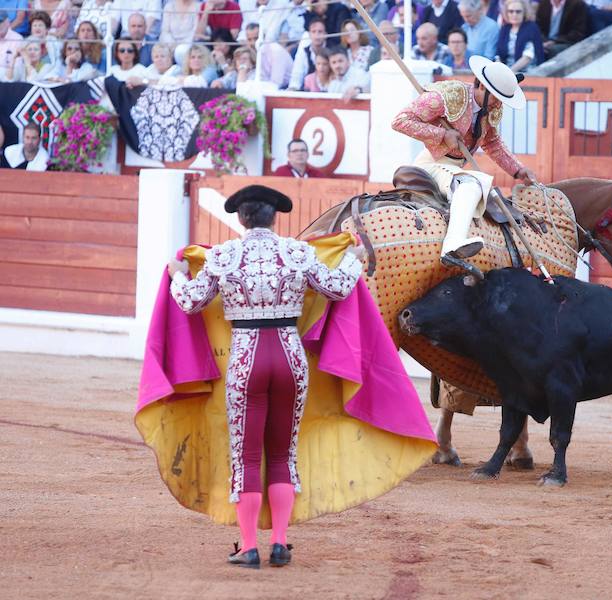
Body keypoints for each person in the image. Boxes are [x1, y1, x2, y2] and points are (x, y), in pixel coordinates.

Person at [167, 185, 364, 568]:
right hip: (290, 356)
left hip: (246, 358)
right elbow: (338, 289)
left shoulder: (224, 255)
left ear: (240, 219)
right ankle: (279, 542)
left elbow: (190, 301)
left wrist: (177, 274)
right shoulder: (297, 251)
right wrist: (353, 259)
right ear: (275, 217)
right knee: (282, 453)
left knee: (246, 455)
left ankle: (247, 546)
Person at [391, 56, 537, 266]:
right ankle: (453, 244)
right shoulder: (447, 95)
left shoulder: (491, 108)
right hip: (431, 164)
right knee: (471, 183)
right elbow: (400, 121)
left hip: (453, 169)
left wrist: (518, 170)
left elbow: (492, 143)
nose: (498, 104)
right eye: (495, 97)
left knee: (478, 186)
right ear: (481, 86)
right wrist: (442, 135)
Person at [496, 0, 544, 71]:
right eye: (511, 11)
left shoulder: (531, 27)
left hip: (527, 72)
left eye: (518, 11)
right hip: (506, 71)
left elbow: (527, 57)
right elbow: (498, 54)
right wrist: (500, 69)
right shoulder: (505, 28)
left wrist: (509, 72)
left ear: (524, 12)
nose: (514, 14)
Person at [246, 21, 293, 88]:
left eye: (256, 38)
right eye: (249, 39)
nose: (253, 43)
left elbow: (276, 83)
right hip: (266, 86)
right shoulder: (252, 51)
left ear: (264, 37)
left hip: (285, 88)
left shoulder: (276, 51)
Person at [288, 15, 326, 89]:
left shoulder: (331, 50)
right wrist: (293, 89)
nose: (317, 35)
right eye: (314, 32)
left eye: (320, 32)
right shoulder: (304, 51)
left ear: (325, 34)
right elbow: (297, 74)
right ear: (309, 34)